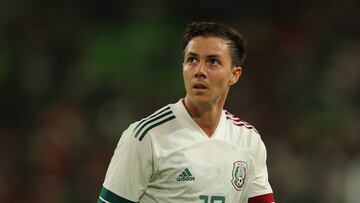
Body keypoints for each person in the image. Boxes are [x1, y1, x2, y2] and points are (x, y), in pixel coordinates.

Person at [97, 21, 275, 203]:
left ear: (234, 75)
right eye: (192, 60)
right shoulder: (146, 137)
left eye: (213, 61)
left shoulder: (248, 141)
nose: (200, 70)